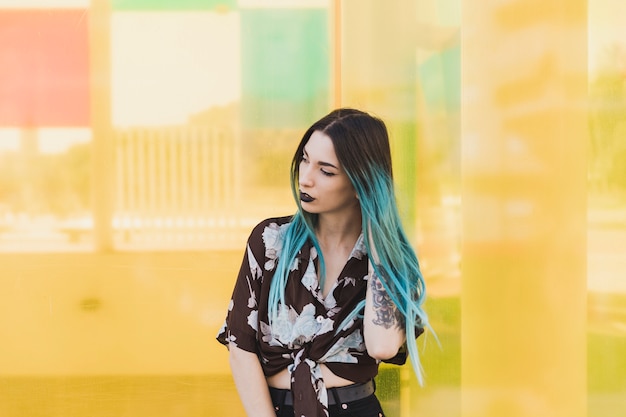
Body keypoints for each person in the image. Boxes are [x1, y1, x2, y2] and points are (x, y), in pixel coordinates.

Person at [217, 108, 429, 417]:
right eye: (304, 159)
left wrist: (379, 238)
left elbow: (383, 347)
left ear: (362, 183)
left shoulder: (389, 259)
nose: (305, 178)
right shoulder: (270, 240)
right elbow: (240, 347)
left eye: (326, 171)